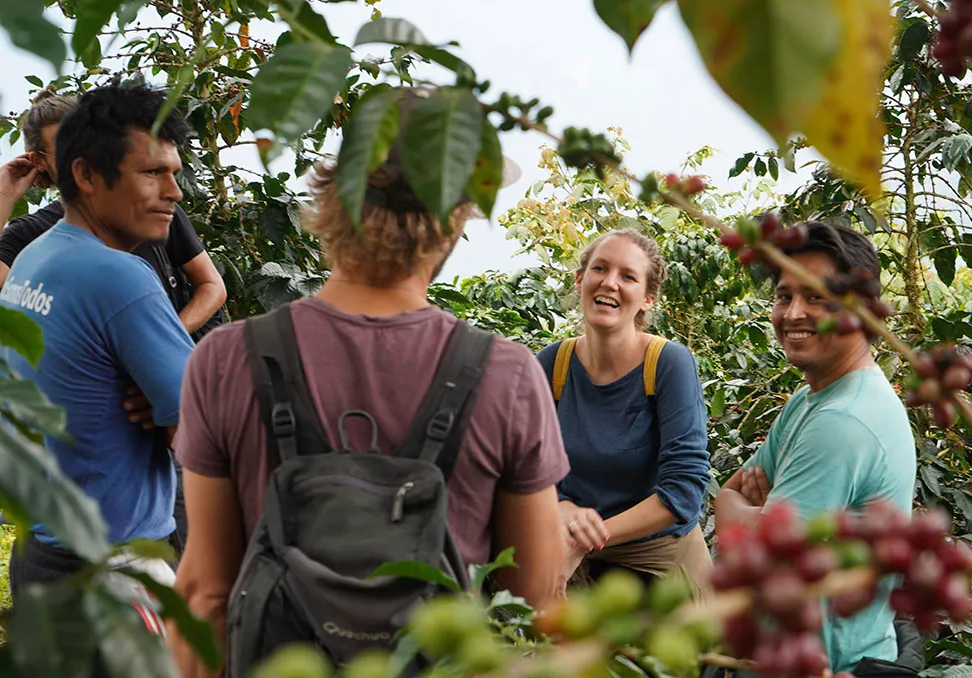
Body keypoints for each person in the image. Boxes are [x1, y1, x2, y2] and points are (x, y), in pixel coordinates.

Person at [170, 91, 568, 677]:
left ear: (333, 194)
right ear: (456, 217)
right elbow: (533, 600)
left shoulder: (227, 359)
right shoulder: (506, 374)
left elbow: (205, 592)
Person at [2, 82, 195, 598]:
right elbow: (207, 435)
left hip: (43, 553)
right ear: (86, 174)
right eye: (152, 172)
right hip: (115, 570)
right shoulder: (121, 278)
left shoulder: (34, 259)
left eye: (174, 173)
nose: (174, 192)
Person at [714, 221, 917, 676]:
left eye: (816, 298)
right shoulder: (810, 399)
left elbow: (759, 563)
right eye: (785, 296)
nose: (793, 314)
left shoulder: (841, 421)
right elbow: (726, 500)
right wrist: (752, 518)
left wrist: (745, 518)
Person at [536, 229, 712, 594]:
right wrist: (562, 507)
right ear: (580, 279)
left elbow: (682, 492)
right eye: (600, 269)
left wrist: (585, 538)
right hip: (574, 556)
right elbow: (523, 466)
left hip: (659, 560)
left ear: (647, 299)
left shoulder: (667, 363)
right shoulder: (552, 364)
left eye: (628, 276)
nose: (610, 283)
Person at [0, 89, 227, 342]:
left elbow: (212, 286)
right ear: (39, 161)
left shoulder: (151, 206)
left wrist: (164, 339)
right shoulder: (31, 232)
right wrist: (4, 196)